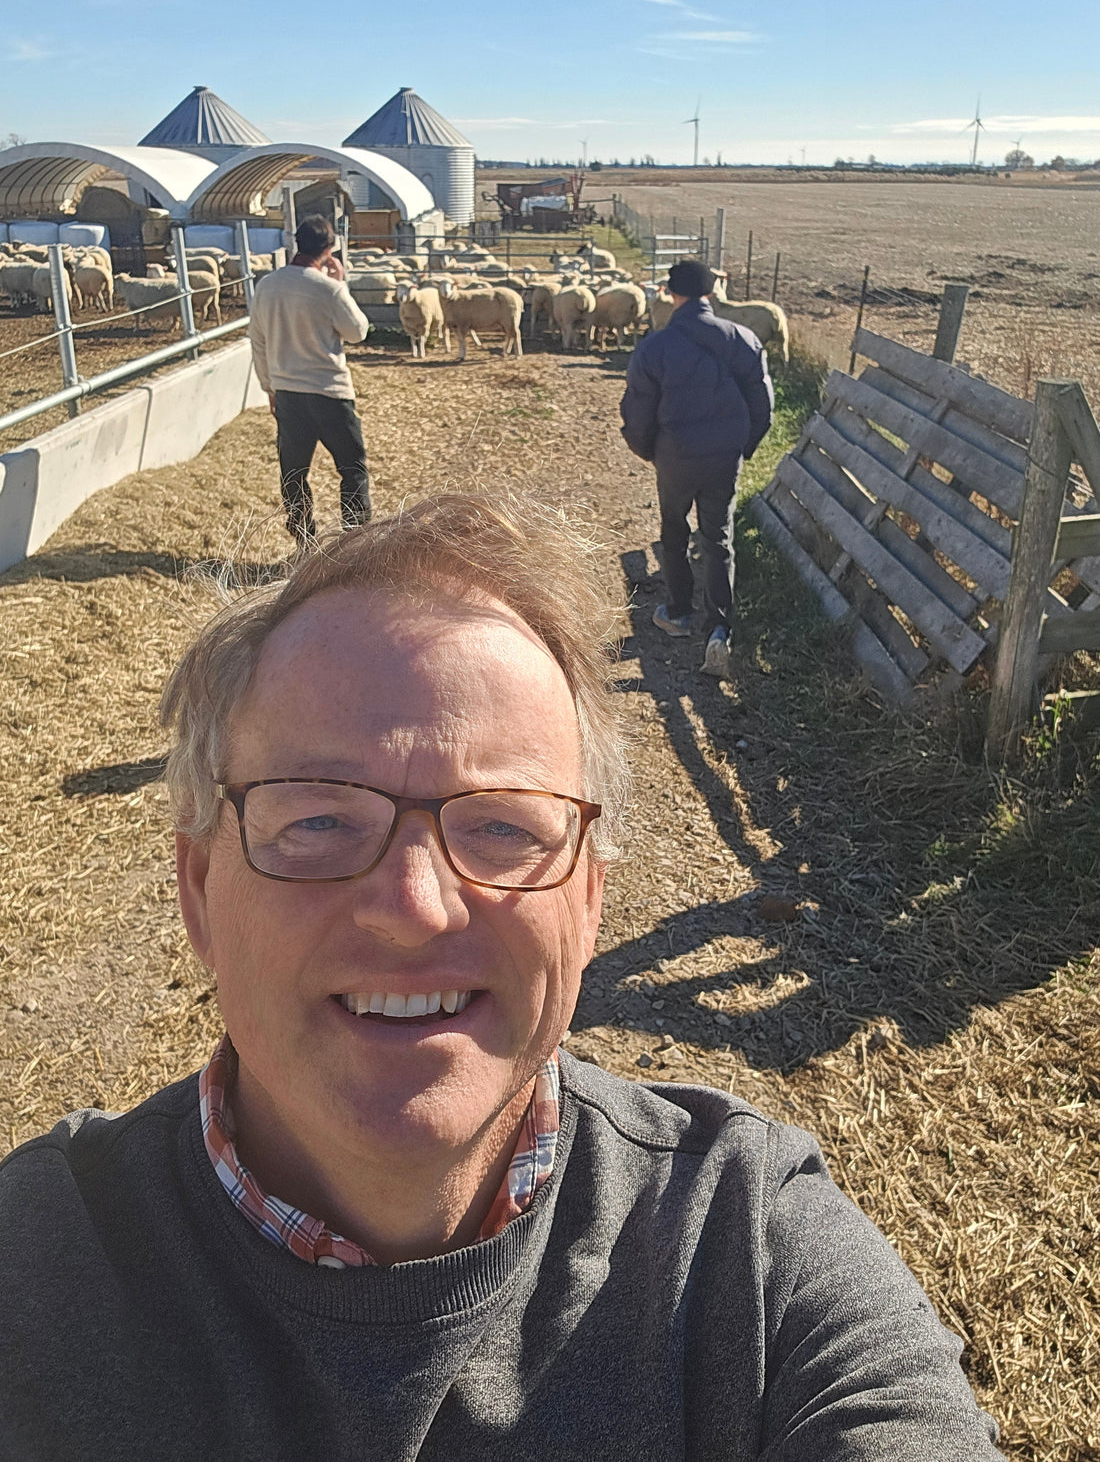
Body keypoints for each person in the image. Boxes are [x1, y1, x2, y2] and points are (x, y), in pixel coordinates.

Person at [0, 495, 1002, 1459]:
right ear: (200, 887)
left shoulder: (745, 1256)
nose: (414, 906)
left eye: (503, 826)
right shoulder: (33, 1264)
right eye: (315, 820)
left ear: (589, 901)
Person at [621, 258, 774, 681]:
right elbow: (763, 407)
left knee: (674, 531)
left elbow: (637, 412)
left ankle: (679, 612)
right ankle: (719, 629)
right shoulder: (742, 338)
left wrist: (649, 451)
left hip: (674, 457)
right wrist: (742, 450)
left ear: (673, 294)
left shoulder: (655, 348)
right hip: (723, 457)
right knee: (718, 539)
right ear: (710, 293)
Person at [249, 213, 372, 545]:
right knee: (351, 467)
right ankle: (354, 541)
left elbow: (257, 341)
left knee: (294, 470)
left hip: (288, 392)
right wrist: (340, 281)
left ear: (297, 244)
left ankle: (304, 537)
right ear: (329, 249)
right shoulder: (329, 290)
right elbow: (358, 332)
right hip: (330, 392)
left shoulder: (267, 285)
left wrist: (269, 388)